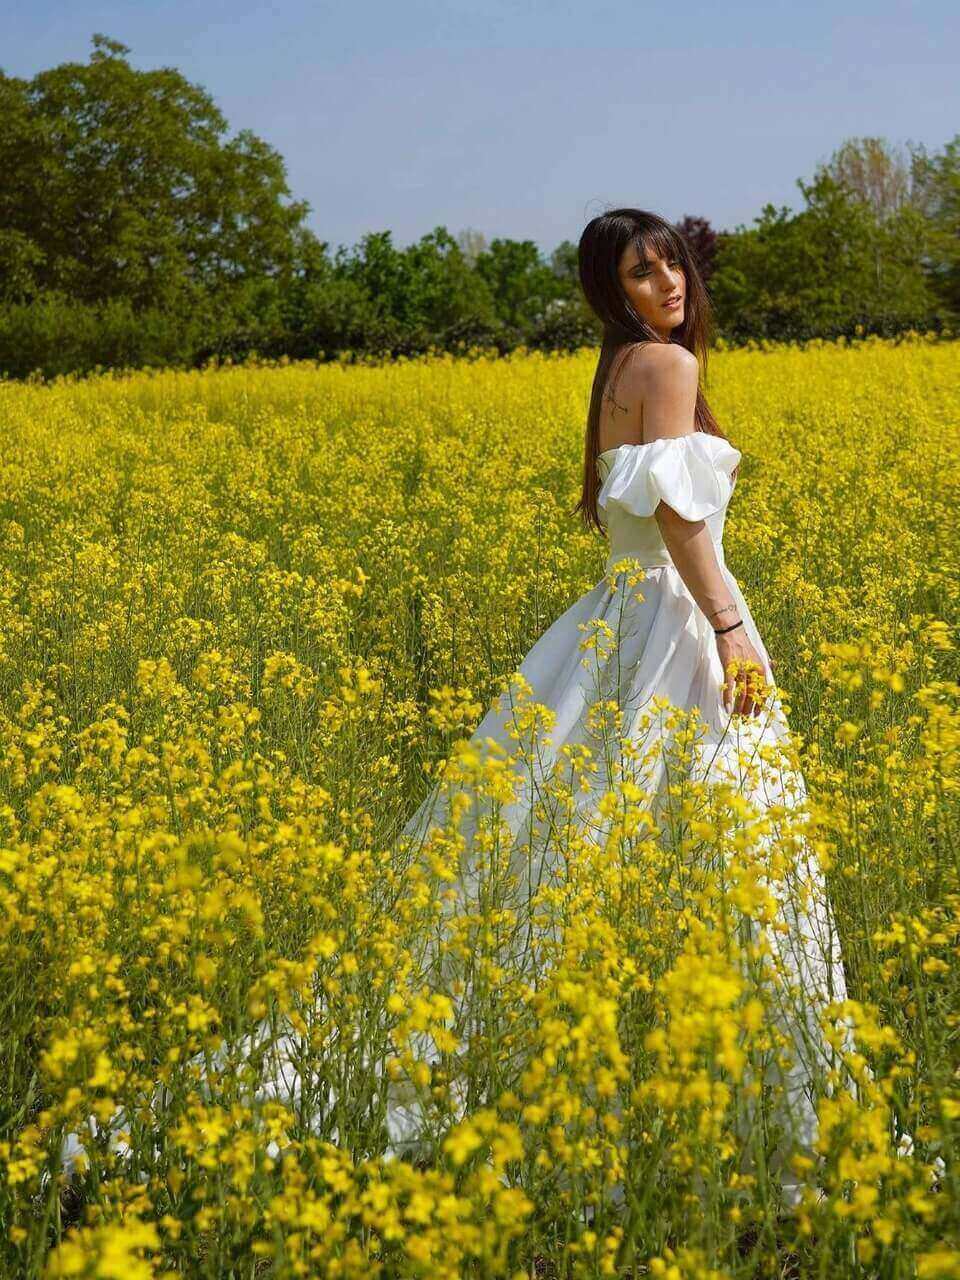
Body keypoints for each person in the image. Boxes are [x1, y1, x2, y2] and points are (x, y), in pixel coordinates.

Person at [60, 209, 939, 1220]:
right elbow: (677, 518)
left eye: (670, 264)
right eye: (640, 273)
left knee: (574, 846)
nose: (667, 284)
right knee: (704, 852)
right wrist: (733, 625)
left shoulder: (618, 369)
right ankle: (705, 1096)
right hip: (673, 626)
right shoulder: (665, 366)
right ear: (614, 294)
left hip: (612, 625)